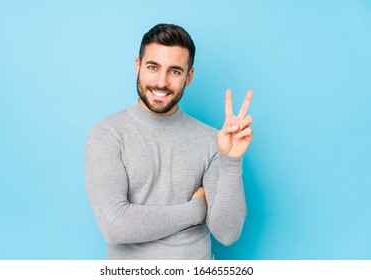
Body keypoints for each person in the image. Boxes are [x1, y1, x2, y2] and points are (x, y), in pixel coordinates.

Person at [85, 23, 253, 260]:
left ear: (189, 77)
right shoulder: (107, 134)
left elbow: (227, 234)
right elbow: (115, 227)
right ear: (138, 66)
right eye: (153, 67)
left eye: (174, 71)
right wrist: (195, 210)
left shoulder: (211, 139)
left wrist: (231, 161)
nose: (161, 82)